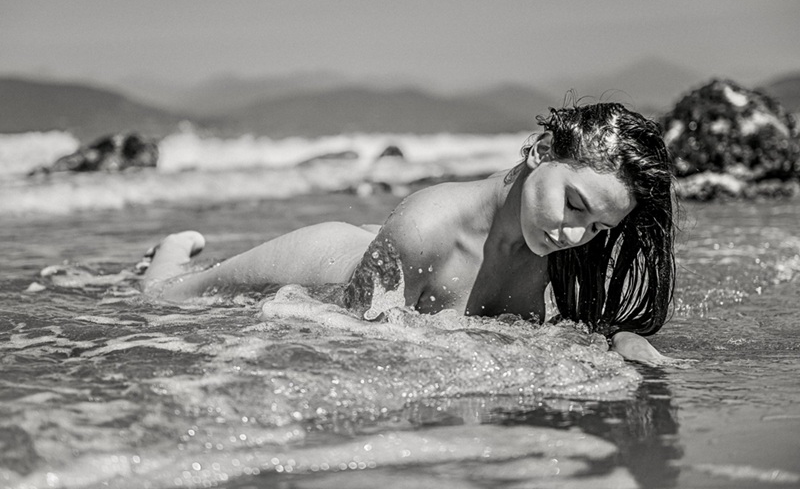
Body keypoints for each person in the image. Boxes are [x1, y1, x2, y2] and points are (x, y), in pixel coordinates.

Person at [141, 102, 677, 365]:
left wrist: (618, 338)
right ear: (540, 151)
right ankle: (169, 249)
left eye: (597, 226)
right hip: (323, 260)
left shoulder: (556, 242)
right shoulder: (426, 226)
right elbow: (348, 343)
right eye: (575, 204)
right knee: (167, 296)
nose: (576, 233)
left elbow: (584, 323)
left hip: (390, 253)